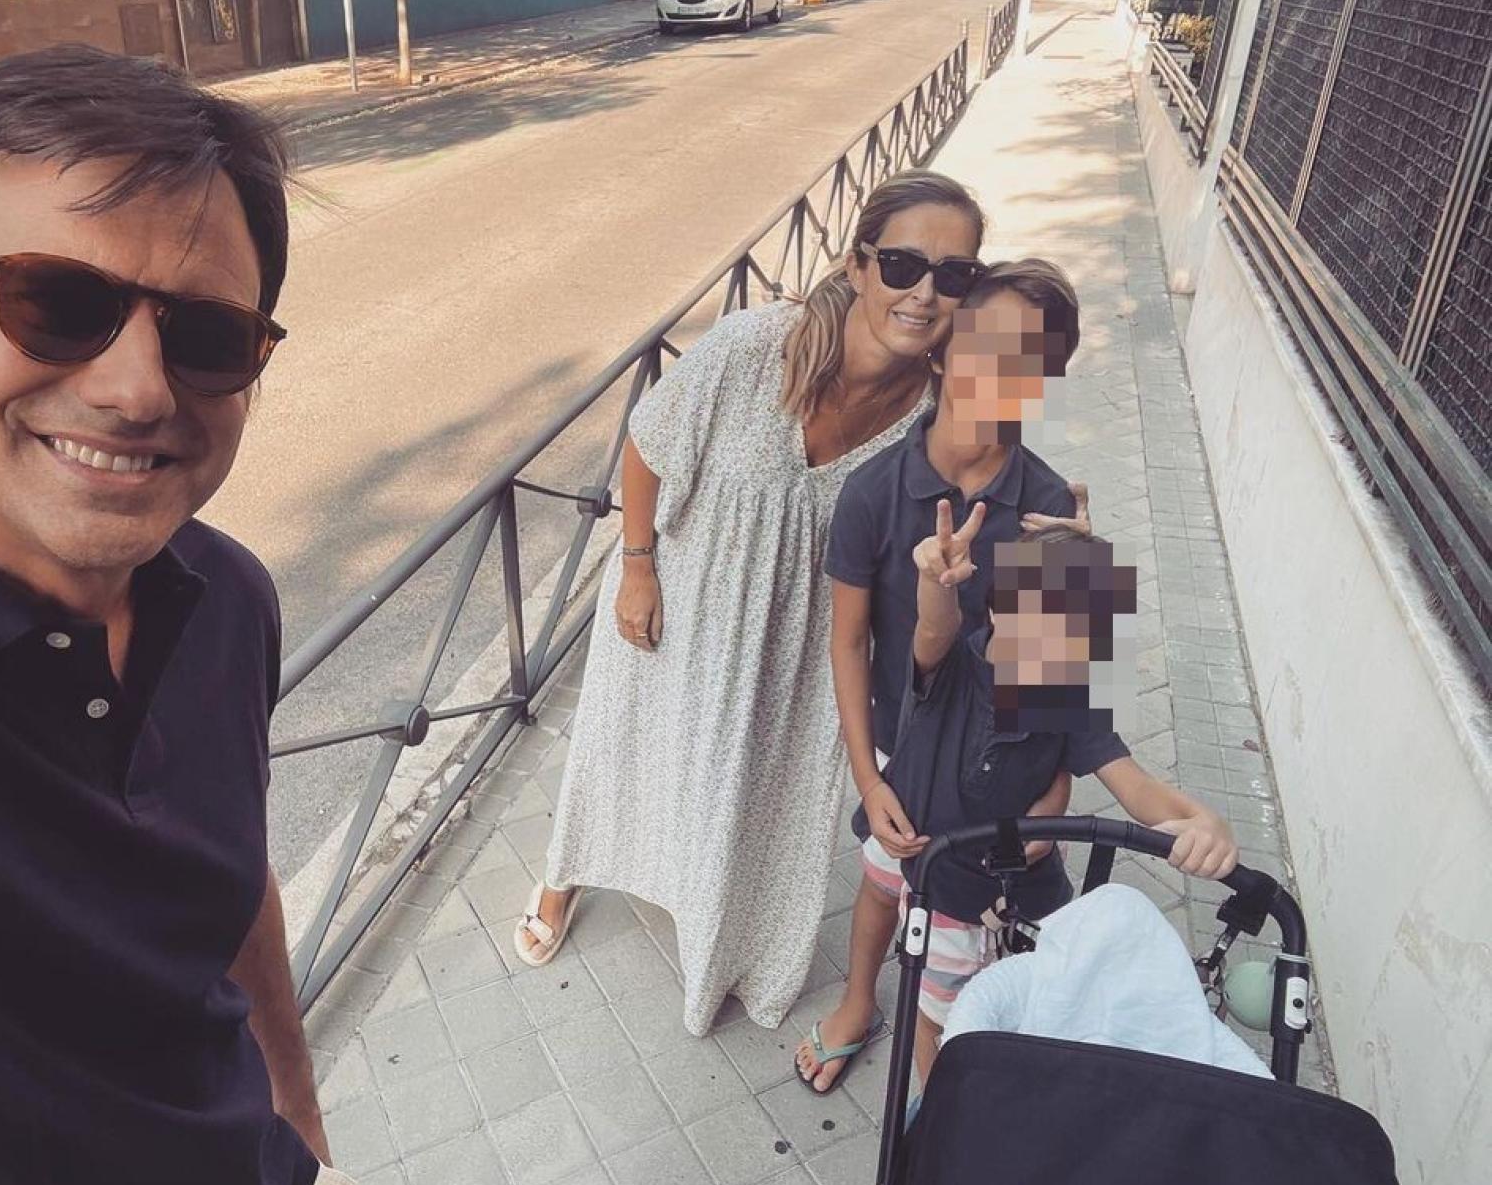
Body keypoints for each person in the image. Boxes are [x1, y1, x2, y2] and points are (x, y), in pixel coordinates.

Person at [0, 47, 364, 1185]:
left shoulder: (223, 595)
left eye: (207, 336)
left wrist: (298, 1118)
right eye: (56, 303)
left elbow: (228, 882)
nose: (137, 389)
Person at [513, 171, 990, 1036]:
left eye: (952, 275)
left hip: (801, 639)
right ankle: (564, 875)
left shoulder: (935, 416)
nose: (924, 292)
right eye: (903, 265)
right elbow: (648, 444)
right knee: (622, 751)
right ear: (860, 263)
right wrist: (636, 566)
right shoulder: (756, 346)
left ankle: (720, 938)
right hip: (677, 599)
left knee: (744, 793)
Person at [797, 260, 1093, 1091]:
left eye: (1033, 359)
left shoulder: (1053, 512)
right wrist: (868, 775)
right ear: (943, 351)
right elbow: (847, 644)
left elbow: (1066, 683)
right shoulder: (870, 492)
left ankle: (949, 1051)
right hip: (901, 753)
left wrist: (1056, 791)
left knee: (969, 928)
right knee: (880, 884)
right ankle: (859, 999)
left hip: (1000, 770)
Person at [862, 517, 1239, 1094]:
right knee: (934, 1014)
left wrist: (1202, 821)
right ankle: (942, 1106)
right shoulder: (953, 667)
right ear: (996, 611)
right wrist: (935, 580)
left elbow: (1135, 787)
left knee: (1043, 999)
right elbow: (935, 627)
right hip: (937, 882)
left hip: (1023, 888)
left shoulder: (1071, 695)